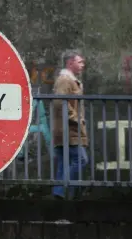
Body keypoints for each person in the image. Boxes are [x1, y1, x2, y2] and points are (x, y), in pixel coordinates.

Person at [51, 49, 88, 199]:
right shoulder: (65, 80)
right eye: (80, 62)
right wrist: (76, 118)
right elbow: (60, 102)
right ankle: (64, 189)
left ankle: (59, 195)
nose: (83, 65)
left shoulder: (69, 79)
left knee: (63, 162)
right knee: (81, 159)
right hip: (69, 130)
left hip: (68, 130)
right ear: (70, 62)